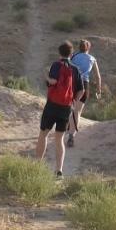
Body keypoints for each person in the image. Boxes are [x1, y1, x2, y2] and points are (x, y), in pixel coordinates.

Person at [35, 41, 83, 177]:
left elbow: (53, 82)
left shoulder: (56, 65)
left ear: (59, 53)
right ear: (71, 53)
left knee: (43, 134)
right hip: (66, 107)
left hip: (52, 105)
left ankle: (37, 165)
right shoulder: (75, 69)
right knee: (59, 139)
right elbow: (81, 90)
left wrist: (45, 74)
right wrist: (74, 101)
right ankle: (59, 170)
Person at [67, 39, 102, 147]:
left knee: (69, 109)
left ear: (79, 47)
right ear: (89, 48)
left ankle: (67, 127)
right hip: (84, 85)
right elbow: (98, 77)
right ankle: (71, 136)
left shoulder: (73, 56)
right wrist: (99, 90)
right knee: (77, 112)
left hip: (72, 83)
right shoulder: (92, 59)